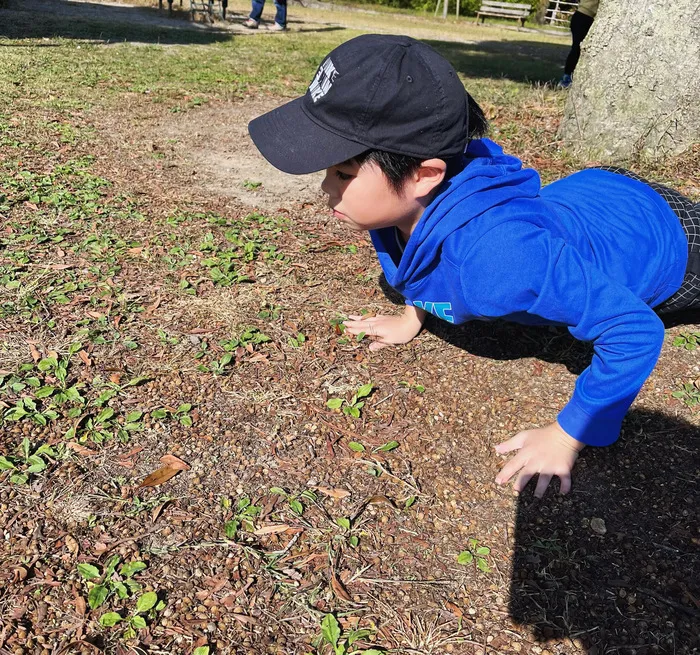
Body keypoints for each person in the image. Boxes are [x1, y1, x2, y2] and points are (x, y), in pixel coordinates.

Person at [248, 35, 700, 498]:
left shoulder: (499, 261)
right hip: (597, 196)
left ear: (425, 175)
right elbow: (424, 253)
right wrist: (413, 313)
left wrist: (568, 434)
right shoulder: (402, 201)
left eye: (342, 173)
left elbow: (634, 329)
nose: (325, 188)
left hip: (670, 244)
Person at [559, 0, 599, 88]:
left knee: (580, 49)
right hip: (582, 17)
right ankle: (566, 77)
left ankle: (572, 75)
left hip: (586, 18)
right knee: (577, 48)